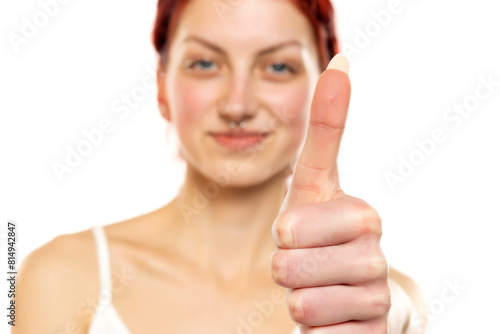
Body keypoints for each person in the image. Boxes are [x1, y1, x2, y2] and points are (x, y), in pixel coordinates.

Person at [13, 0, 428, 333]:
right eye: (205, 64)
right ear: (161, 85)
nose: (238, 105)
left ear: (320, 84)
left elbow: (400, 309)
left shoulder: (376, 298)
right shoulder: (58, 278)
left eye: (278, 66)